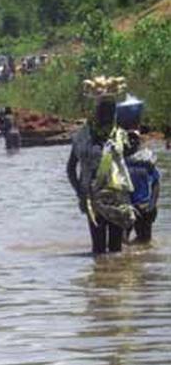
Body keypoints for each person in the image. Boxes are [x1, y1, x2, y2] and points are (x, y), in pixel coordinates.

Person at [67, 99, 130, 254]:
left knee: (116, 248)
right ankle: (100, 275)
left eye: (110, 112)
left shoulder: (120, 135)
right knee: (98, 247)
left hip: (116, 196)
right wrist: (80, 191)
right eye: (103, 112)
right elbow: (70, 168)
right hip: (92, 196)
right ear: (96, 113)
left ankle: (113, 275)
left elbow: (127, 165)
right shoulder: (83, 137)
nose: (107, 116)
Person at [124, 131, 161, 244]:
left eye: (135, 138)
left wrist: (152, 204)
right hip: (125, 206)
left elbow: (156, 183)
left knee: (144, 242)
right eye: (129, 138)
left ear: (139, 142)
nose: (132, 141)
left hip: (144, 206)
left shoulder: (145, 161)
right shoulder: (119, 161)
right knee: (122, 241)